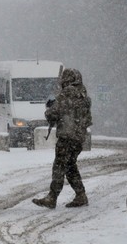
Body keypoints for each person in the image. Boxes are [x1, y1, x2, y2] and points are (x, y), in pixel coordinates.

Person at [32, 68, 92, 209]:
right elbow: (87, 119)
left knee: (59, 166)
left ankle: (52, 197)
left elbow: (53, 113)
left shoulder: (67, 94)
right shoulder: (84, 96)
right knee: (70, 166)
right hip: (78, 138)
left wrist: (50, 108)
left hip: (67, 136)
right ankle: (80, 195)